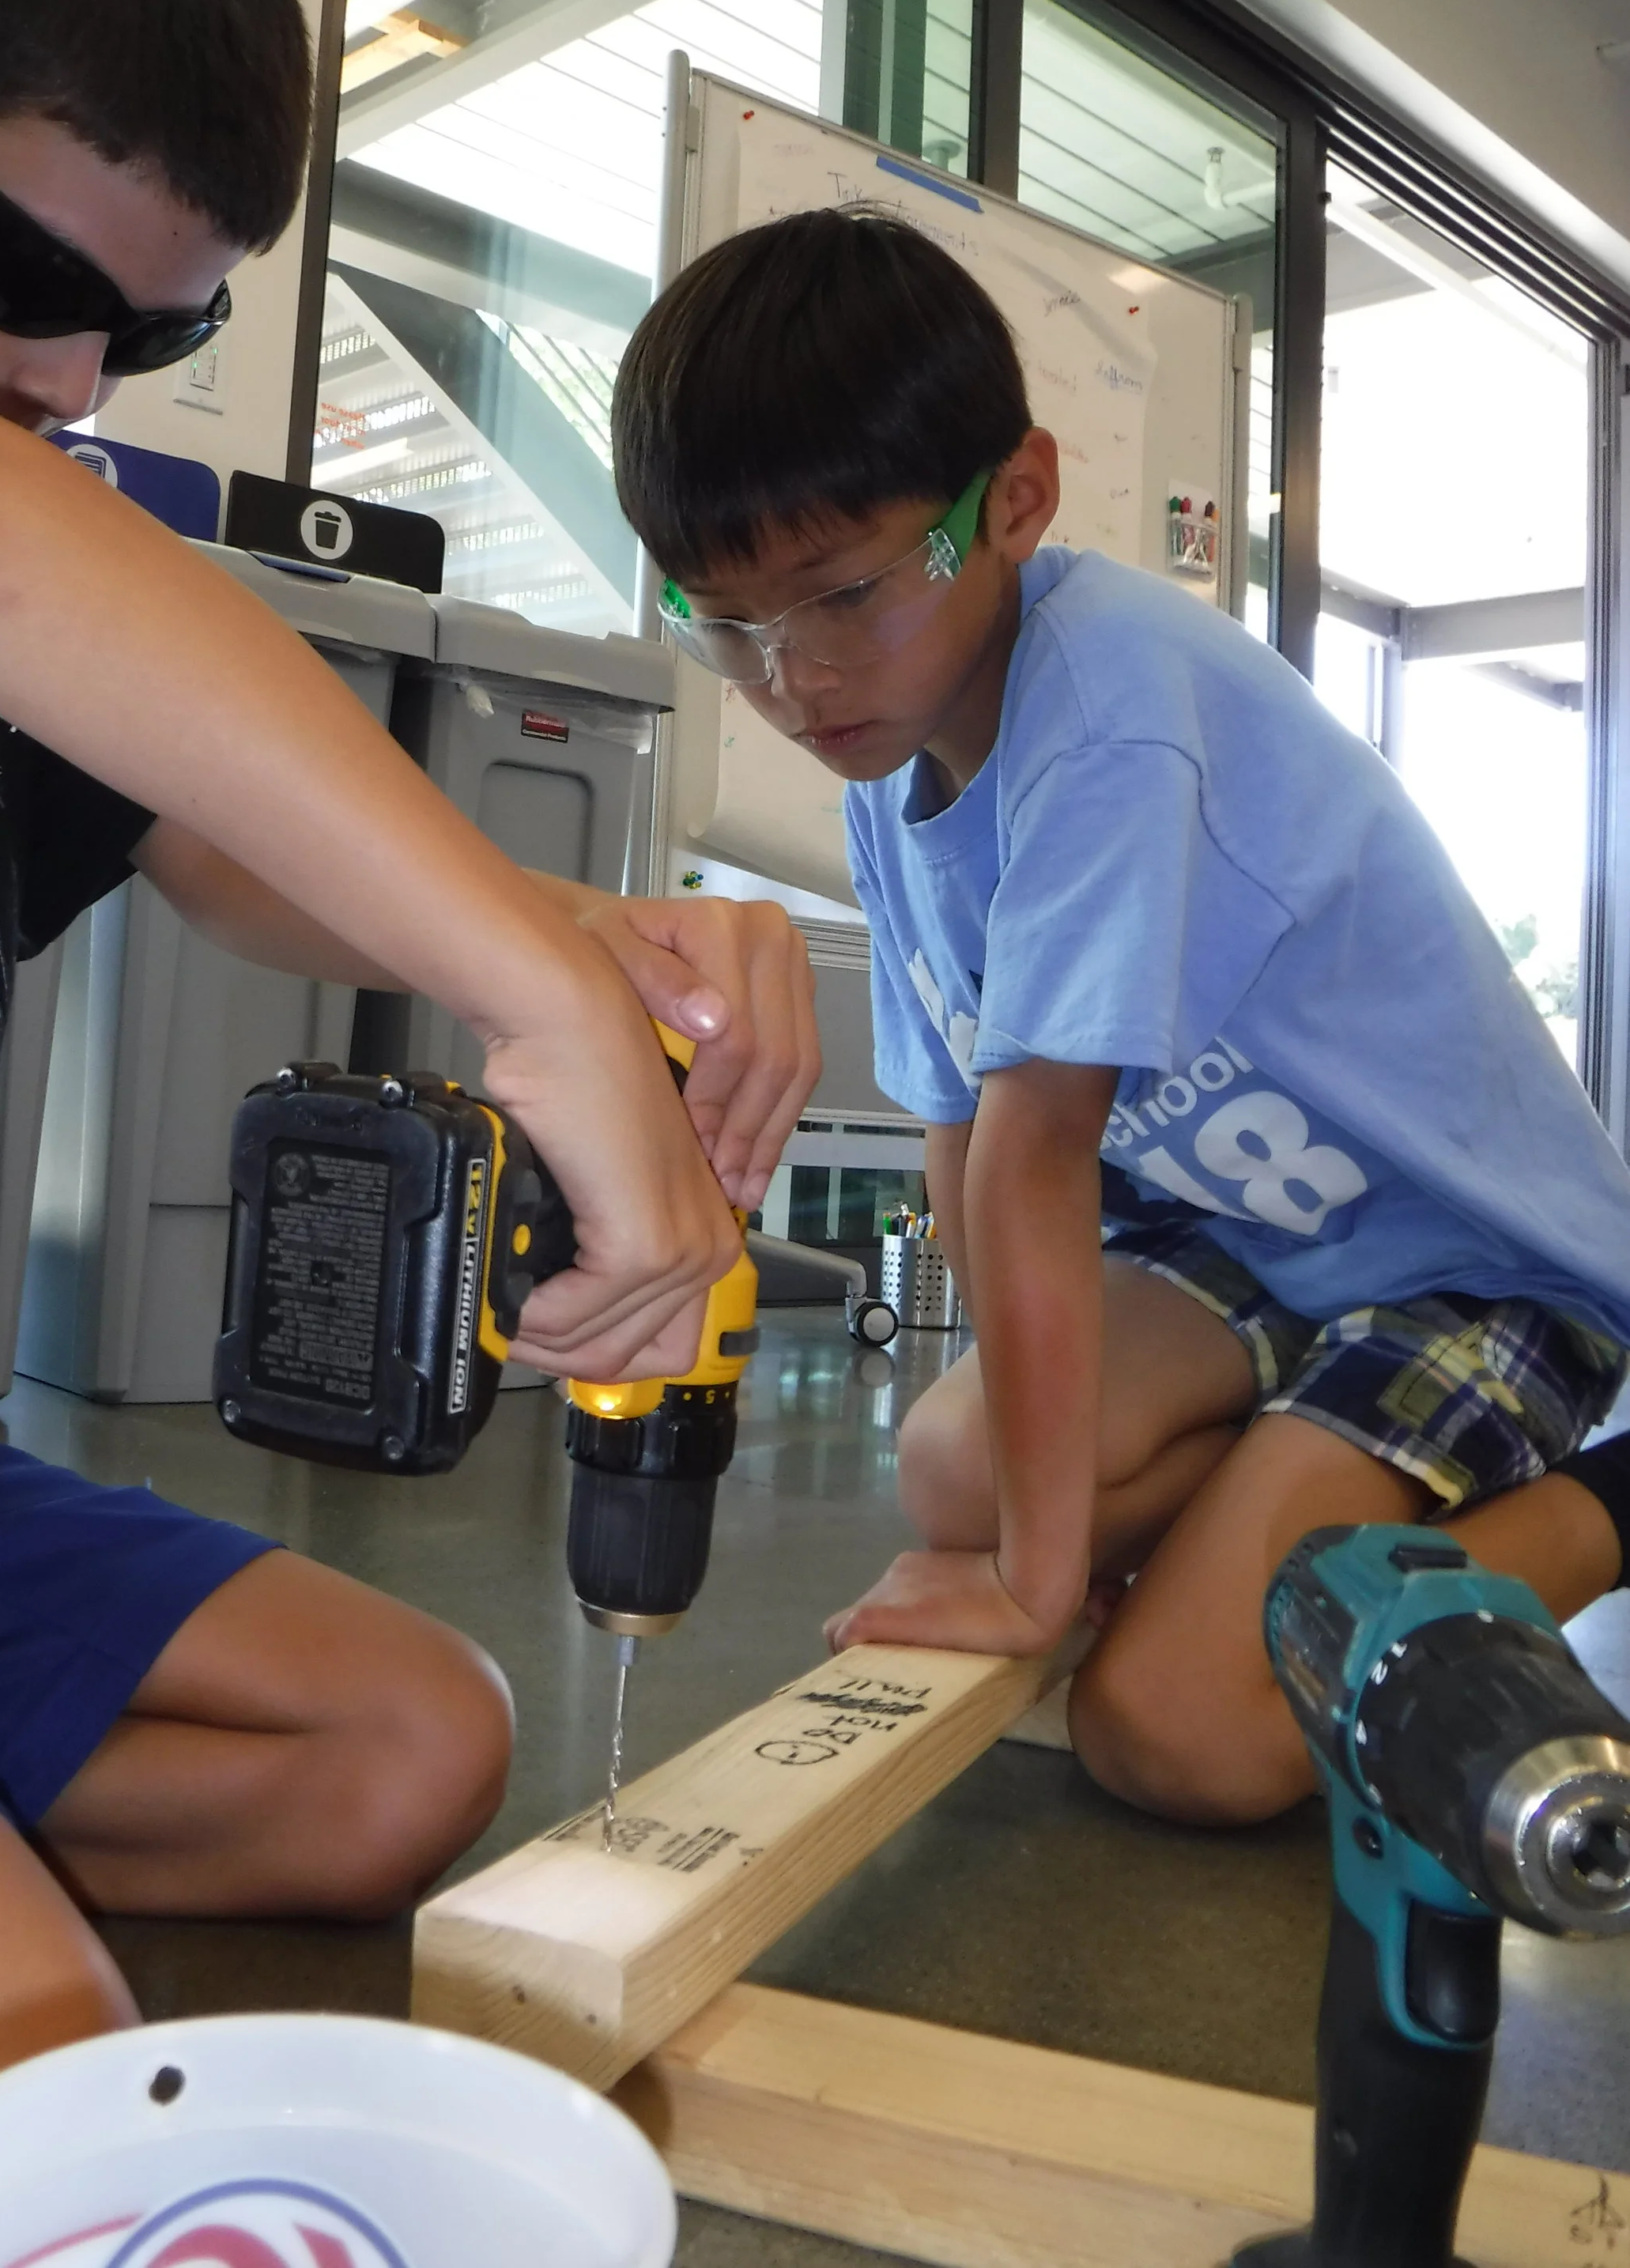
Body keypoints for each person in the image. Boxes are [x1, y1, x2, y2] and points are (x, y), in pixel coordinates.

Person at [0, 0, 818, 2268]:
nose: (64, 371)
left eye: (152, 332)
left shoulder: (15, 504)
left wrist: (616, 941)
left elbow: (216, 832)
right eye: (19, 267)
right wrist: (528, 988)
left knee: (397, 1750)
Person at [611, 201, 1630, 1829]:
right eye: (726, 625)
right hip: (1244, 1241)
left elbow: (1035, 1158)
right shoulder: (885, 758)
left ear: (1014, 500)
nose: (792, 681)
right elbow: (958, 1146)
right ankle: (1287, 1502)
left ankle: (1603, 1502)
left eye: (842, 596)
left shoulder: (1110, 713)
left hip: (1468, 1265)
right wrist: (1023, 1524)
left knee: (1178, 1729)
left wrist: (1038, 1582)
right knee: (955, 1466)